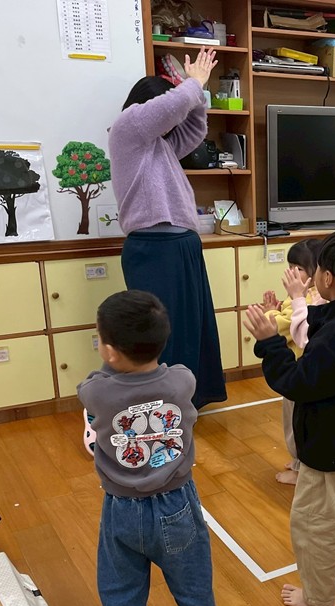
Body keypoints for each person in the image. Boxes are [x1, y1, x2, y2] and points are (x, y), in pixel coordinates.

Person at [78, 290, 224, 606]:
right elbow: (168, 372)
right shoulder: (182, 381)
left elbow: (91, 384)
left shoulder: (98, 392)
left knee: (121, 592)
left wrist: (112, 364)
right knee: (193, 581)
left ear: (110, 352)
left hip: (122, 509)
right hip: (178, 503)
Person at [243, 230, 335, 606]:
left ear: (327, 278)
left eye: (317, 269)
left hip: (328, 448)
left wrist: (270, 343)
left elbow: (297, 382)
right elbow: (318, 321)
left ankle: (318, 597)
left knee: (315, 523)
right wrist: (294, 303)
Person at [109, 50, 226, 409]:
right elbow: (168, 109)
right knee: (161, 329)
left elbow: (194, 129)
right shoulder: (126, 129)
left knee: (193, 326)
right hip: (154, 249)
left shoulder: (162, 145)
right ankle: (161, 406)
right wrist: (193, 84)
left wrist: (196, 94)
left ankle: (188, 400)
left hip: (182, 246)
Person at [260, 239, 324, 485]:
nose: (291, 272)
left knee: (296, 423)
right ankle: (300, 462)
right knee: (299, 422)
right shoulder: (306, 296)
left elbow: (278, 327)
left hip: (299, 375)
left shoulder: (308, 300)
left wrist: (269, 312)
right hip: (303, 373)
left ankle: (300, 468)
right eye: (290, 266)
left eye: (299, 268)